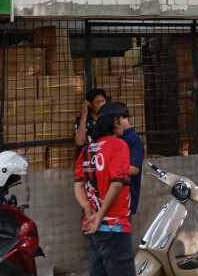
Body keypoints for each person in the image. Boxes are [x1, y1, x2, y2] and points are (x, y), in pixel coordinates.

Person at [73, 102, 135, 276]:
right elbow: (117, 183)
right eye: (123, 118)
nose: (125, 122)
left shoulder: (87, 149)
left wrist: (88, 208)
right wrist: (101, 215)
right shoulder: (118, 145)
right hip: (114, 226)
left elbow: (78, 184)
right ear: (115, 121)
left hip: (91, 227)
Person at [112, 101, 145, 214]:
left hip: (127, 196)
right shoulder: (117, 138)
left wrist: (109, 169)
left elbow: (134, 169)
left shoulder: (133, 139)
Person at [74, 88, 108, 152]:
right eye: (98, 102)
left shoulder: (109, 119)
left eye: (103, 101)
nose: (101, 105)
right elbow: (79, 142)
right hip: (89, 155)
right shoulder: (83, 120)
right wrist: (84, 114)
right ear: (90, 105)